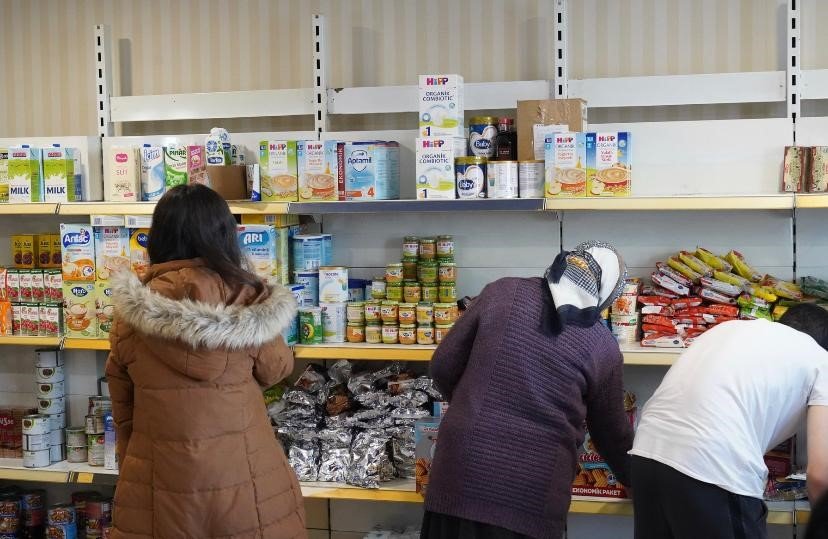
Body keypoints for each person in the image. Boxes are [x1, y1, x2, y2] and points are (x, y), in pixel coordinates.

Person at [105, 184, 306, 539]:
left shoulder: (129, 316)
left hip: (161, 484)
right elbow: (276, 369)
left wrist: (130, 466)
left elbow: (124, 409)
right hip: (246, 479)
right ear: (225, 235)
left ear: (158, 237)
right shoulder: (246, 300)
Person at [422, 241, 635, 539]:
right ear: (605, 295)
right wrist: (639, 483)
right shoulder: (602, 345)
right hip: (530, 493)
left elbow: (443, 366)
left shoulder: (501, 292)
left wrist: (476, 404)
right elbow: (612, 435)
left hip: (458, 472)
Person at [631, 304, 828, 539]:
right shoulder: (820, 358)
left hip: (645, 455)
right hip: (712, 468)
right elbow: (820, 476)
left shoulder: (728, 329)